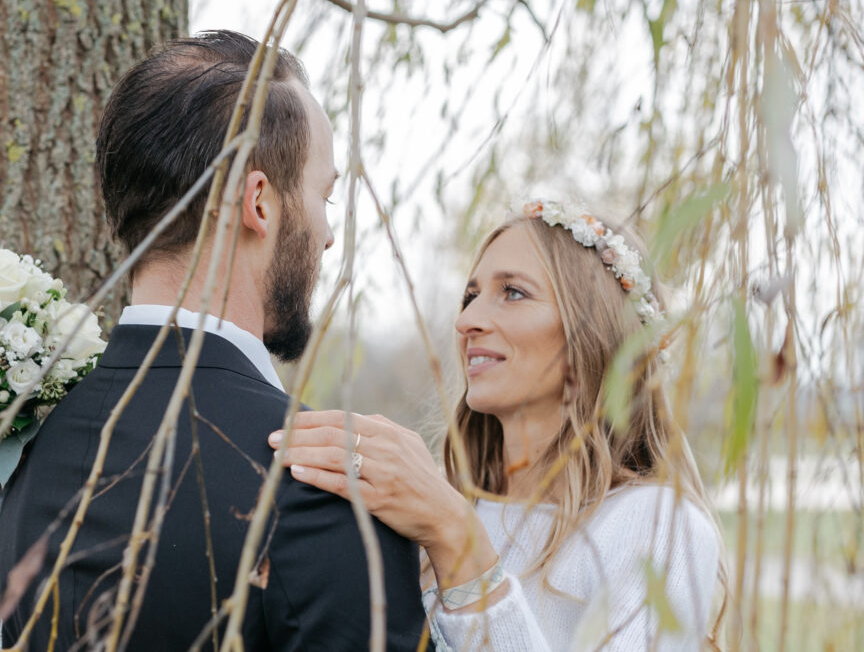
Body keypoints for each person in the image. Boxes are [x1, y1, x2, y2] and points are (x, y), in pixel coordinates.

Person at [0, 31, 431, 650]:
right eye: (323, 195)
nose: (329, 235)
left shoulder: (23, 450)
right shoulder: (322, 484)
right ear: (259, 202)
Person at [269, 200, 727, 650]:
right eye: (471, 296)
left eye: (513, 292)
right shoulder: (444, 506)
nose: (467, 320)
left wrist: (458, 541)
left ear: (593, 335)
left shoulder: (658, 527)